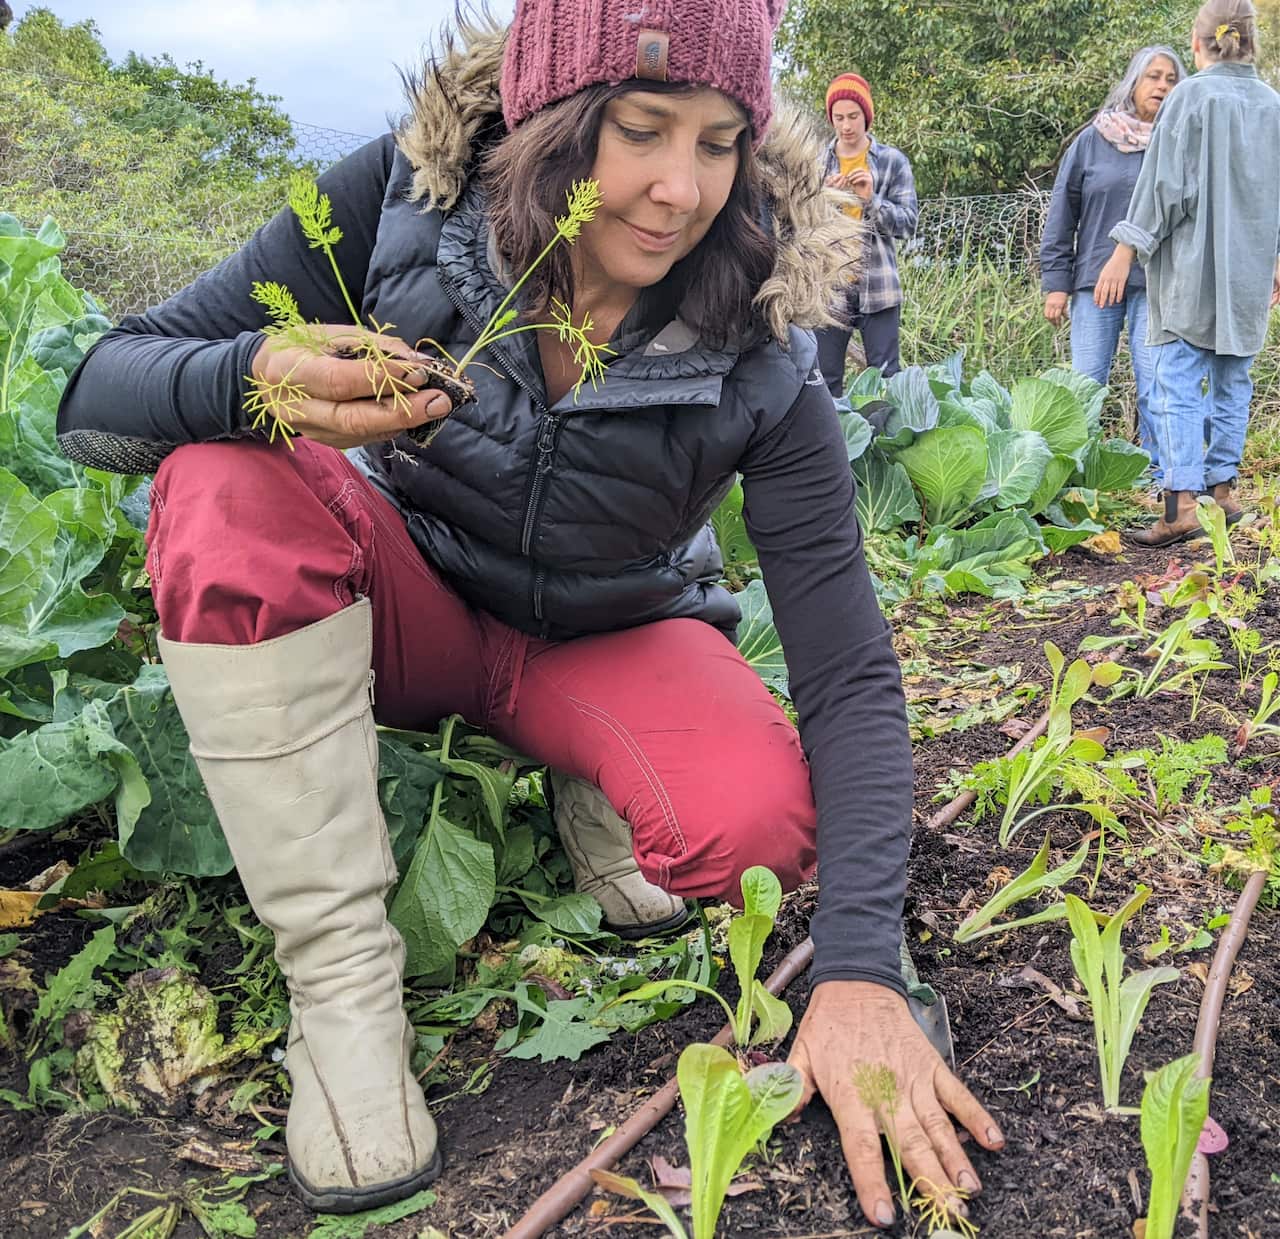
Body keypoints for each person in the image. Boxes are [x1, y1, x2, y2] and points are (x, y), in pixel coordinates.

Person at [56, 2, 1002, 1227]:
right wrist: (251, 379)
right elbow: (96, 392)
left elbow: (846, 669)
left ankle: (586, 777)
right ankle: (343, 990)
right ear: (549, 122)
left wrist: (866, 967)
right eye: (640, 130)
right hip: (410, 600)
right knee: (218, 475)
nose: (677, 189)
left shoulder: (762, 332)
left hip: (602, 635)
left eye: (718, 142)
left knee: (760, 832)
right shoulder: (393, 206)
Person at [1102, 0, 1280, 545]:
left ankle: (1180, 504)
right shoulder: (1272, 104)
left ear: (1198, 44)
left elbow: (1164, 187)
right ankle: (1223, 494)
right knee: (1234, 379)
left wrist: (1126, 247)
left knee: (1177, 380)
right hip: (1251, 270)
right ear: (1251, 42)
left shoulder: (1190, 97)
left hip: (1190, 271)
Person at [1040, 46, 1187, 482]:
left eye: (1171, 79)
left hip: (1158, 283)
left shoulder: (1178, 143)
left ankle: (1160, 482)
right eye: (1153, 76)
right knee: (1085, 385)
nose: (1162, 85)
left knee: (1156, 384)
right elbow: (1062, 214)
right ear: (1134, 82)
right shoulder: (1093, 140)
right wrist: (1056, 283)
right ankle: (1077, 480)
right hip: (1092, 283)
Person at [814, 72, 919, 396]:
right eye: (839, 117)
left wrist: (870, 200)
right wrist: (822, 201)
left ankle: (883, 445)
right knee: (824, 380)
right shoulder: (817, 162)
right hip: (831, 286)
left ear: (867, 116)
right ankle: (834, 446)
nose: (846, 125)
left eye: (854, 116)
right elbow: (799, 228)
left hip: (880, 286)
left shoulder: (892, 162)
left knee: (886, 381)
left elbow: (908, 224)